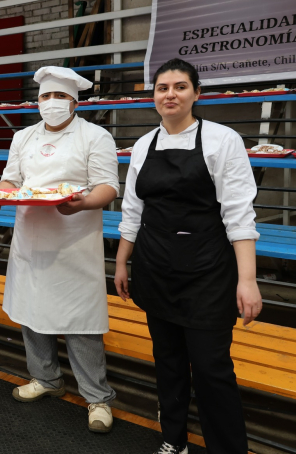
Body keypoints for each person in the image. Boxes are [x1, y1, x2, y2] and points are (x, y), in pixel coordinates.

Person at [114, 58, 263, 454]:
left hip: (207, 271)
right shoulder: (144, 145)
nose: (171, 95)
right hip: (155, 266)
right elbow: (133, 209)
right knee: (167, 360)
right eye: (162, 88)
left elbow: (239, 215)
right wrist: (121, 261)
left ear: (196, 93)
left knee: (212, 369)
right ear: (154, 96)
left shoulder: (222, 140)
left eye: (180, 87)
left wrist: (247, 280)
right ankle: (173, 440)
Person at [0, 66, 120, 433]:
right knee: (31, 310)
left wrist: (82, 203)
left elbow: (108, 186)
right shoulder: (24, 136)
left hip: (73, 238)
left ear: (74, 102)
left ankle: (97, 397)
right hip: (31, 235)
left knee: (81, 321)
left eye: (59, 96)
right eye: (45, 96)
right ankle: (46, 378)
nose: (51, 102)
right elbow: (12, 179)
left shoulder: (95, 136)